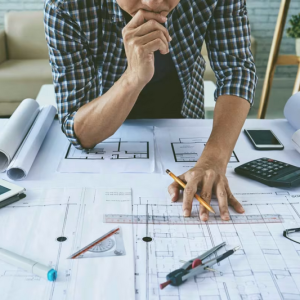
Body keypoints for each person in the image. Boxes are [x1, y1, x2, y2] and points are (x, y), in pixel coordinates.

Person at [44, 0, 257, 221]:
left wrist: (214, 159)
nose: (153, 2)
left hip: (185, 124)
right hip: (107, 132)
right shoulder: (66, 6)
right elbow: (79, 130)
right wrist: (133, 77)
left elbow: (237, 71)